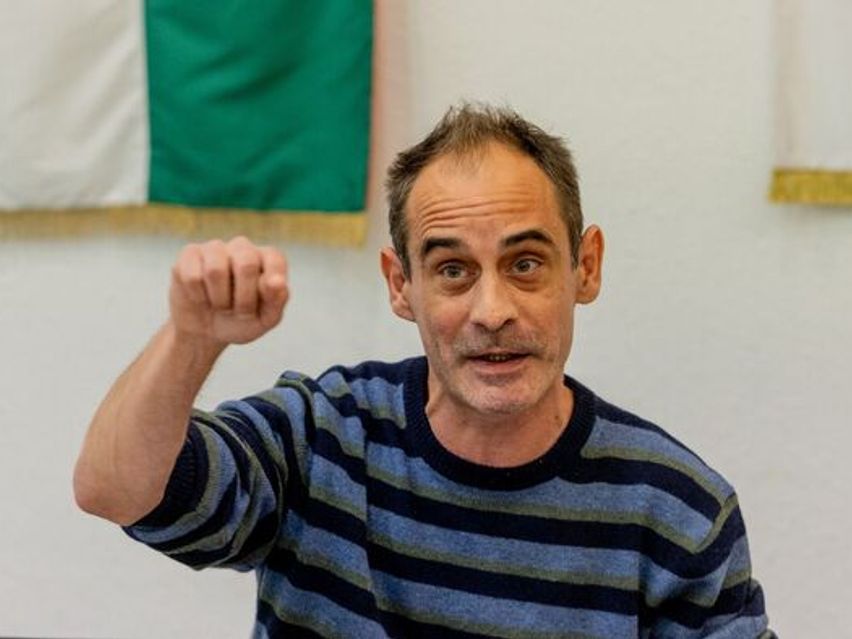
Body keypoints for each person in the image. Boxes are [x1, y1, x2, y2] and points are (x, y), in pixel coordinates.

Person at [74, 104, 774, 638]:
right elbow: (114, 490)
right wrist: (192, 339)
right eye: (452, 271)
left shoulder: (680, 512)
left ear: (584, 267)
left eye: (526, 264)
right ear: (400, 284)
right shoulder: (322, 439)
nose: (492, 311)